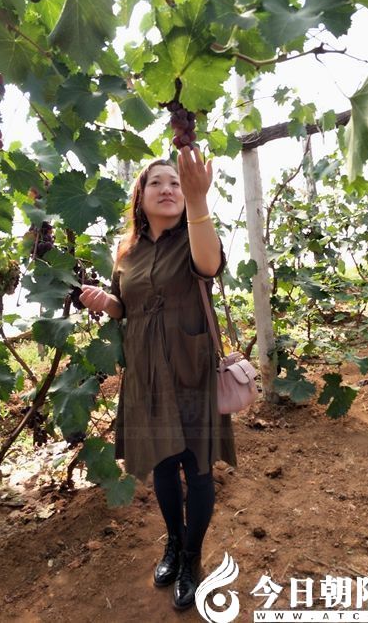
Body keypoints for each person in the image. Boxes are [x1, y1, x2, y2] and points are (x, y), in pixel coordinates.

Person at [79, 147, 237, 611]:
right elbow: (125, 306)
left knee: (197, 467)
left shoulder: (195, 234)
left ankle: (191, 558)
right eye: (157, 182)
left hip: (190, 369)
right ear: (140, 196)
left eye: (175, 183)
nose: (168, 189)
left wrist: (199, 199)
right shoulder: (126, 250)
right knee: (164, 465)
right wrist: (107, 303)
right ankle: (173, 541)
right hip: (146, 371)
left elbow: (209, 266)